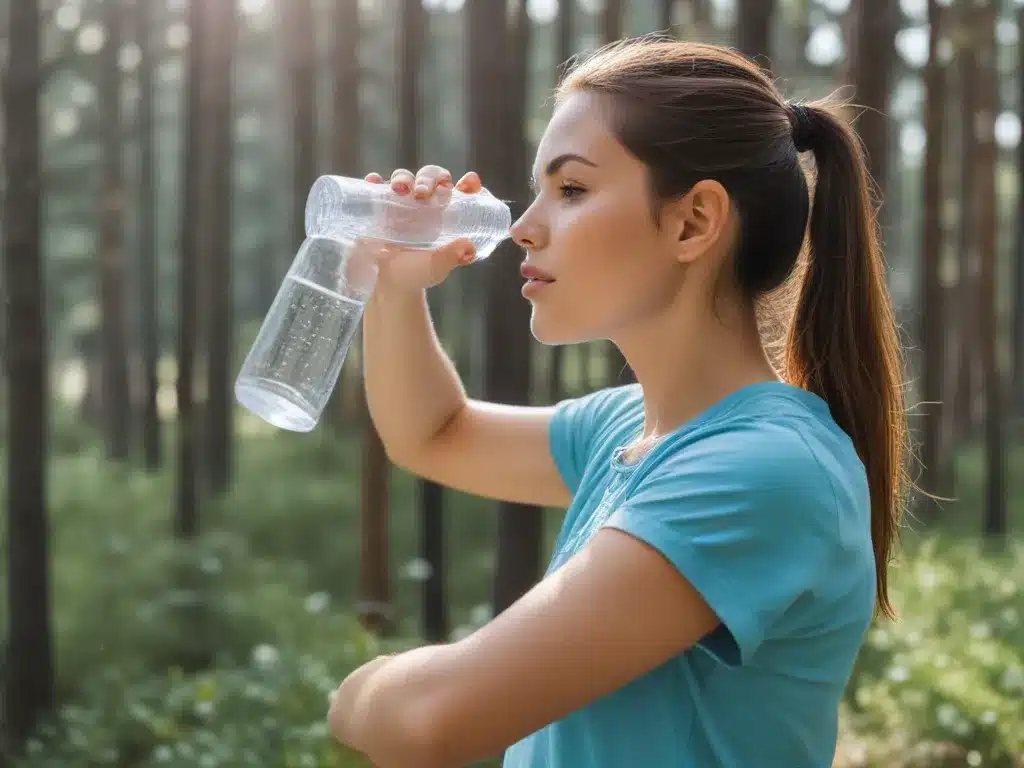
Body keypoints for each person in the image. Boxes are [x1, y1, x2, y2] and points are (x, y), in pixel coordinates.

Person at [327, 37, 908, 768]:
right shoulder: (632, 428)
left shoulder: (763, 468)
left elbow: (429, 723)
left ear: (693, 222)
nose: (523, 226)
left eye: (570, 190)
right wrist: (398, 285)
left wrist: (357, 691)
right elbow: (434, 434)